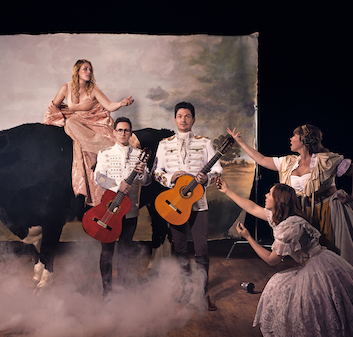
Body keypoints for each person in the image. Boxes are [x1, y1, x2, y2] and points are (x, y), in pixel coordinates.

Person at [217, 178, 353, 337]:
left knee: (295, 292)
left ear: (279, 200)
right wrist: (228, 191)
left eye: (269, 194)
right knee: (280, 285)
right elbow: (253, 208)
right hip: (314, 263)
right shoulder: (281, 217)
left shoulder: (291, 227)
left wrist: (248, 237)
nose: (265, 195)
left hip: (319, 267)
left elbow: (271, 260)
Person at [227, 124, 353, 278]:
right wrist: (240, 142)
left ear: (304, 139)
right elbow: (261, 159)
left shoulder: (326, 160)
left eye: (294, 136)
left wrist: (352, 196)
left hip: (329, 211)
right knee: (315, 256)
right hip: (306, 213)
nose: (291, 139)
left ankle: (345, 287)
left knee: (337, 253)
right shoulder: (289, 162)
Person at [153, 102, 222, 311]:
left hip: (199, 205)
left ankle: (203, 294)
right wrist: (169, 178)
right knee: (180, 248)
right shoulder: (164, 144)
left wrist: (207, 178)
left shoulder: (205, 142)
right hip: (174, 204)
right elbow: (156, 172)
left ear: (193, 119)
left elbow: (217, 169)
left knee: (202, 249)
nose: (183, 120)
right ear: (175, 120)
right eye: (180, 116)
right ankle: (184, 290)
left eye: (188, 116)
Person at [44, 59, 137, 206]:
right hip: (76, 122)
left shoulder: (93, 89)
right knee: (70, 122)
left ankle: (93, 153)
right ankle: (91, 153)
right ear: (77, 71)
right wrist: (56, 117)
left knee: (73, 124)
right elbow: (53, 105)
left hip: (95, 122)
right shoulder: (66, 87)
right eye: (85, 69)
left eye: (90, 69)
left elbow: (109, 106)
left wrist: (121, 104)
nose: (89, 72)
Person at [93, 117, 151, 297]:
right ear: (114, 132)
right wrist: (118, 185)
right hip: (109, 210)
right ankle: (107, 291)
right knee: (107, 251)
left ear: (131, 133)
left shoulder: (139, 154)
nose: (123, 133)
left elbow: (147, 181)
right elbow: (98, 177)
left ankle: (122, 289)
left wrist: (142, 174)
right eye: (120, 130)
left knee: (125, 251)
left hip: (131, 211)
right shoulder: (105, 153)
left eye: (126, 130)